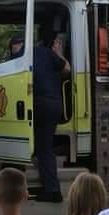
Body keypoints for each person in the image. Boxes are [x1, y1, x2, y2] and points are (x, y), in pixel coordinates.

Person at [32, 27, 71, 203]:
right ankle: (51, 188)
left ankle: (53, 191)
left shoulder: (33, 53)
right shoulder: (50, 55)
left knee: (43, 148)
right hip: (54, 105)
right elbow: (67, 69)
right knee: (45, 147)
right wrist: (59, 53)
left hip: (39, 105)